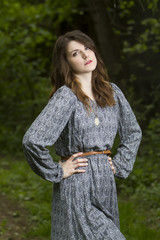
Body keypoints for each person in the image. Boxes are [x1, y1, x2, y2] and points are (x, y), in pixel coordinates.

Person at [22, 30, 142, 240]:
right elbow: (33, 140)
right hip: (78, 183)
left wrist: (121, 163)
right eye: (76, 53)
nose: (86, 56)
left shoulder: (112, 93)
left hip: (105, 184)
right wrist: (57, 170)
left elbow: (132, 132)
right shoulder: (66, 97)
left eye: (87, 48)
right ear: (66, 62)